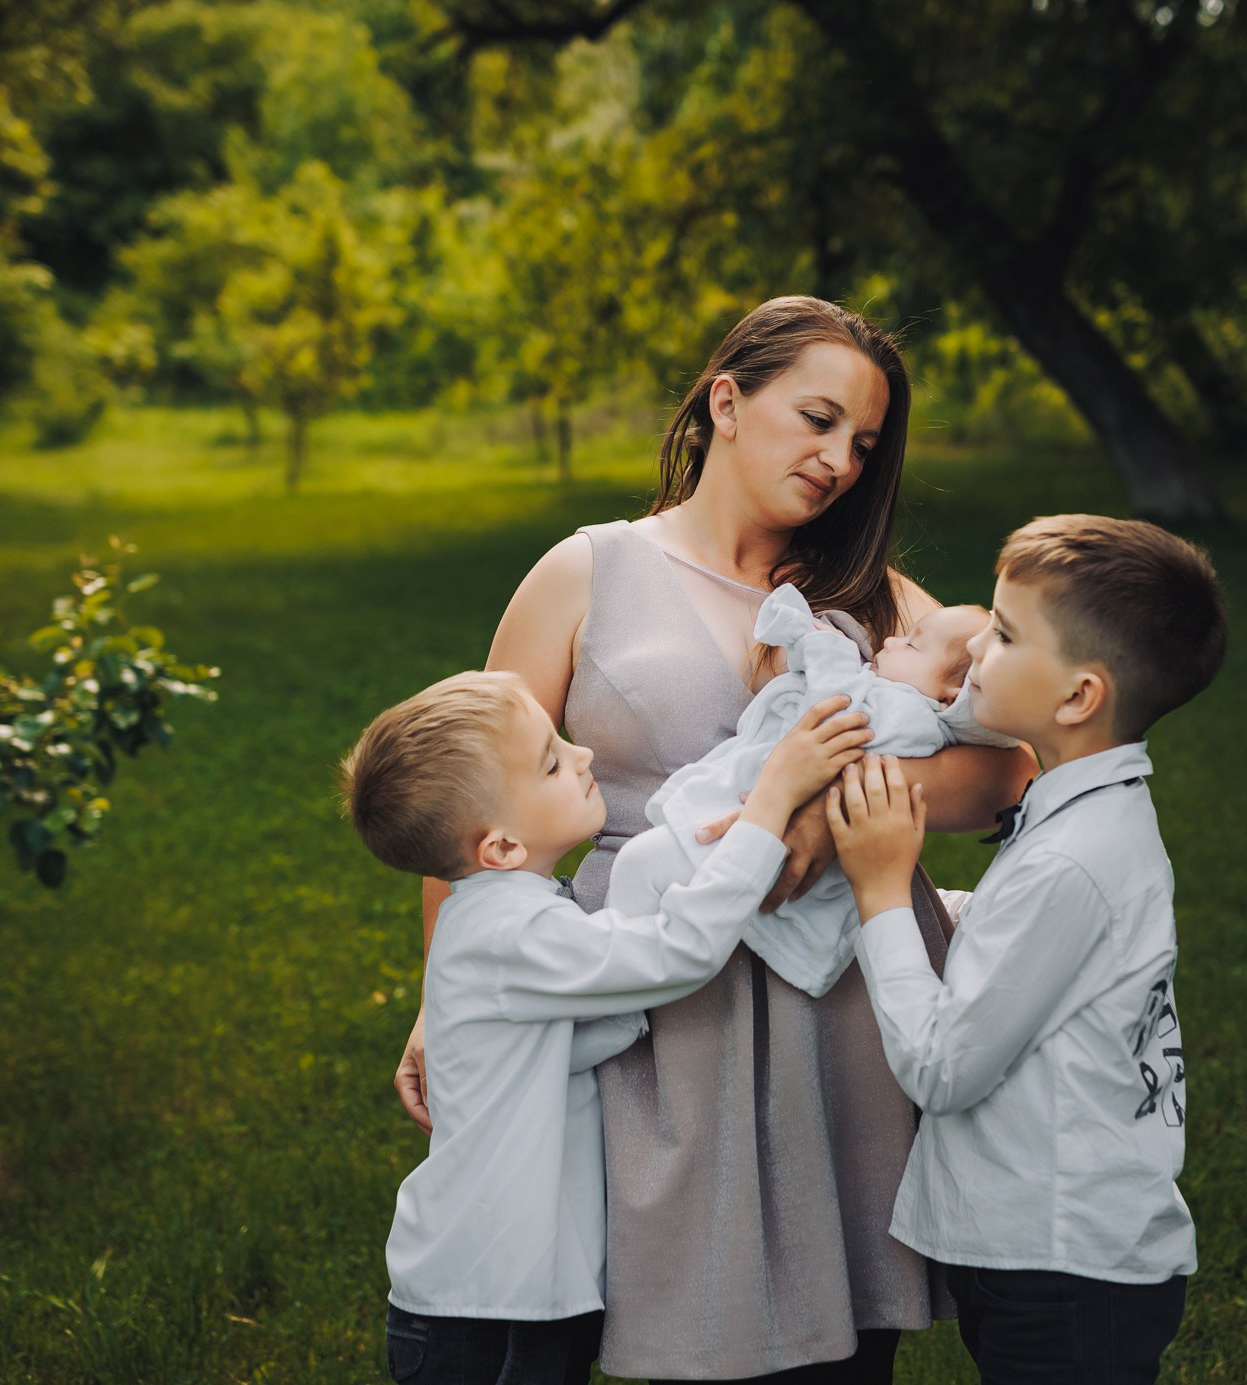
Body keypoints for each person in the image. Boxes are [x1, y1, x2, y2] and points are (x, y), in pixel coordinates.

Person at [392, 297, 1037, 1381]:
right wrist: (443, 1000)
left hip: (824, 1020)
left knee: (835, 1347)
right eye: (816, 420)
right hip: (644, 1001)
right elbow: (477, 805)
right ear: (726, 403)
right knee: (607, 1310)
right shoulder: (586, 568)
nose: (836, 461)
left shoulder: (863, 602)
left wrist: (836, 827)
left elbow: (1001, 771)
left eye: (862, 444)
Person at [343, 671, 877, 1385]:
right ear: (499, 846)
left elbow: (590, 1032)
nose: (585, 755)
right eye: (553, 760)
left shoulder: (511, 915)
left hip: (521, 1288)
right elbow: (679, 951)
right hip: (485, 1304)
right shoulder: (512, 930)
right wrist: (771, 802)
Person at [827, 514, 1228, 1384]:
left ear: (1078, 696)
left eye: (1005, 636)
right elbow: (1022, 940)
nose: (974, 649)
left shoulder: (1073, 860)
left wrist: (882, 891)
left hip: (1064, 1265)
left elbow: (942, 1067)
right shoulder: (1086, 817)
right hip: (1055, 1252)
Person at [607, 583, 1019, 999]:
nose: (892, 640)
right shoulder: (600, 566)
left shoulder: (897, 684)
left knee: (642, 871)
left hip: (738, 847)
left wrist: (836, 800)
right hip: (731, 855)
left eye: (912, 646)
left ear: (950, 698)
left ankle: (617, 992)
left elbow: (1018, 776)